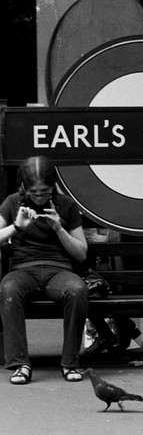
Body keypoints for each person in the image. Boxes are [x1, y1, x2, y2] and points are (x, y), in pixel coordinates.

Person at [0, 156, 88, 384]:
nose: (39, 197)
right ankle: (20, 364)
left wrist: (59, 228)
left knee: (77, 290)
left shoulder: (66, 205)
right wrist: (16, 226)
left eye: (45, 192)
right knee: (8, 288)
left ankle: (70, 362)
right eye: (34, 192)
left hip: (58, 270)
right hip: (23, 269)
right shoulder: (12, 203)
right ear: (23, 187)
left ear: (53, 187)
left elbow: (80, 252)